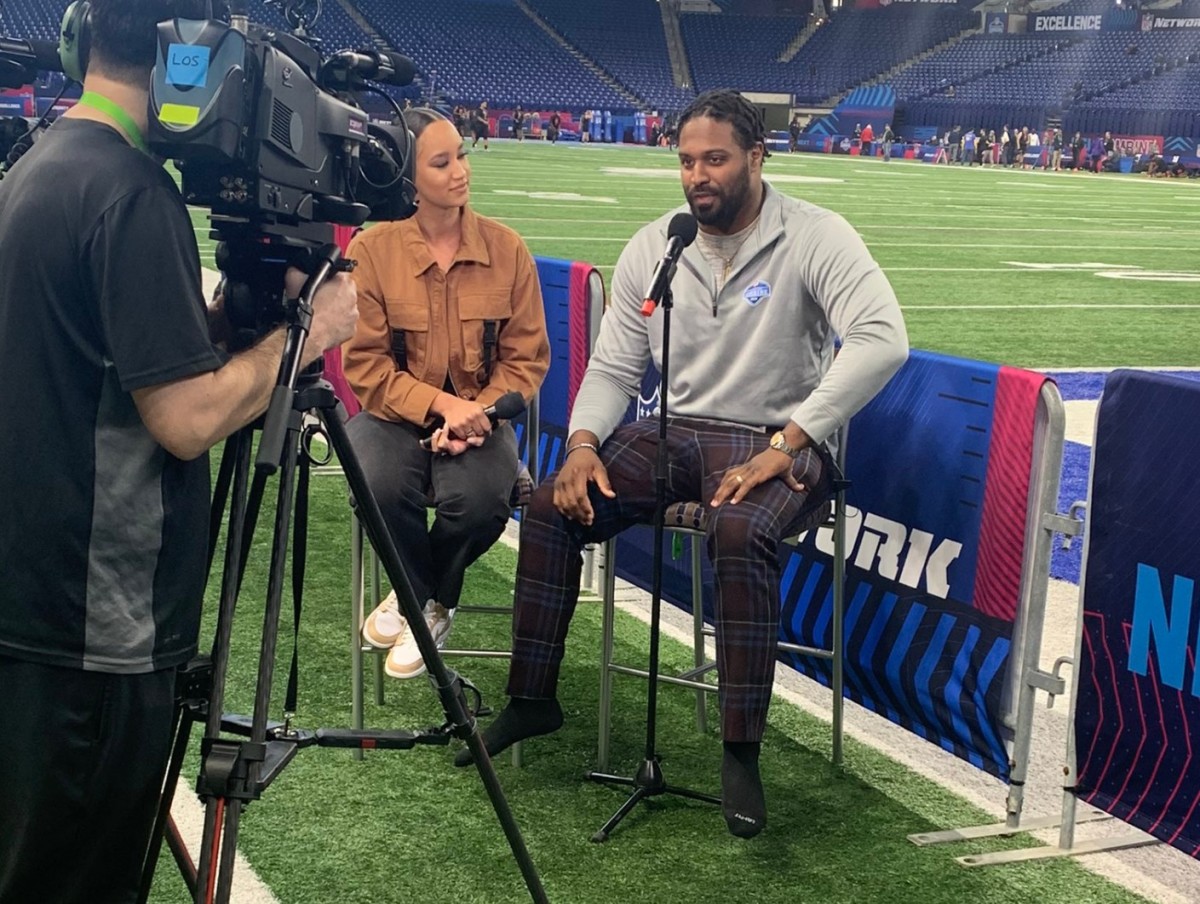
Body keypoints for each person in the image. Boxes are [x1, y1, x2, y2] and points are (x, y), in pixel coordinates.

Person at [455, 89, 908, 839]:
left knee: (736, 530)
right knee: (547, 505)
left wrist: (789, 442)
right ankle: (532, 698)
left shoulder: (817, 235)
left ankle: (740, 747)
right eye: (687, 161)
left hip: (777, 440)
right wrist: (582, 446)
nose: (698, 175)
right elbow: (612, 369)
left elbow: (882, 339)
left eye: (716, 159)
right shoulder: (658, 245)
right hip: (675, 432)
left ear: (757, 158)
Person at [0, 3, 359, 901]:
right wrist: (303, 336)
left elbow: (103, 355)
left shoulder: (45, 164)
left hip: (34, 602)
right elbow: (189, 419)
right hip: (96, 625)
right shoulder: (130, 190)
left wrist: (233, 323)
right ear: (185, 58)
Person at [342, 108, 550, 680]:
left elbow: (525, 360)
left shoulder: (508, 250)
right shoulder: (374, 251)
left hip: (483, 423)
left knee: (482, 502)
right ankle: (422, 596)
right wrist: (440, 407)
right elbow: (365, 366)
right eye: (441, 162)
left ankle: (424, 596)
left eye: (461, 154)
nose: (460, 171)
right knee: (375, 483)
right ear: (408, 181)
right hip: (391, 417)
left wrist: (474, 416)